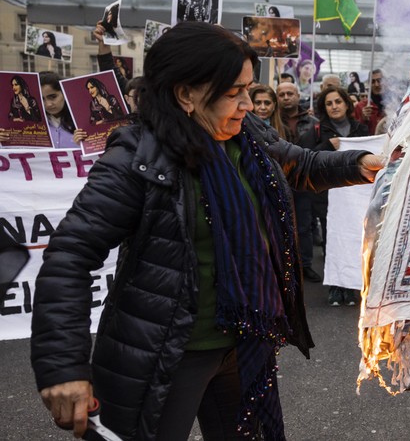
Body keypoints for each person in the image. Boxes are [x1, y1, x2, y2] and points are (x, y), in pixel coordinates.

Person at [31, 22, 383, 440]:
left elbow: (299, 165)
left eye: (250, 90)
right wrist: (62, 366)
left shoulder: (246, 137)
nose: (248, 104)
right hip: (166, 355)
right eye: (234, 93)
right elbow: (69, 257)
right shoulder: (137, 158)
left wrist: (362, 165)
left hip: (244, 344)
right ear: (186, 94)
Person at [312, 86, 370, 306]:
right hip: (327, 194)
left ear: (347, 104)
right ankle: (335, 285)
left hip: (355, 194)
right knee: (332, 237)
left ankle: (351, 284)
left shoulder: (361, 129)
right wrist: (328, 145)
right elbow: (305, 155)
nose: (334, 106)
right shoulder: (318, 130)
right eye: (329, 103)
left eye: (338, 101)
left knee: (355, 236)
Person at [276, 81, 322, 284]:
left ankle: (304, 266)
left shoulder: (312, 122)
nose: (286, 97)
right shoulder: (270, 120)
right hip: (276, 178)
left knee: (303, 225)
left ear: (297, 95)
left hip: (302, 179)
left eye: (290, 93)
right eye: (282, 94)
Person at [40, 72, 87, 148]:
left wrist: (84, 145)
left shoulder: (83, 121)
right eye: (42, 99)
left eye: (52, 97)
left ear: (64, 93)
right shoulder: (32, 125)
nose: (48, 104)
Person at [353, 69, 384, 134]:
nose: (376, 84)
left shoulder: (392, 104)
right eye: (373, 81)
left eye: (379, 81)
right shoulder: (360, 106)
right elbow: (355, 133)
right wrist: (363, 119)